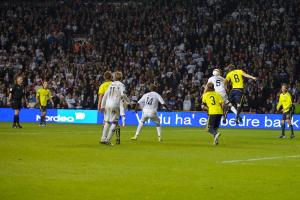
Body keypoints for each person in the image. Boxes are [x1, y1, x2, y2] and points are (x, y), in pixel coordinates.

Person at [101, 71, 129, 145]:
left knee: (106, 121)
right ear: (121, 77)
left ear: (114, 77)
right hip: (115, 104)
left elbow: (105, 96)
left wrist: (102, 106)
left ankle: (103, 138)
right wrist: (128, 101)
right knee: (115, 122)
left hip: (107, 104)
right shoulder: (121, 85)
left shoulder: (111, 84)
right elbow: (123, 94)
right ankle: (108, 140)